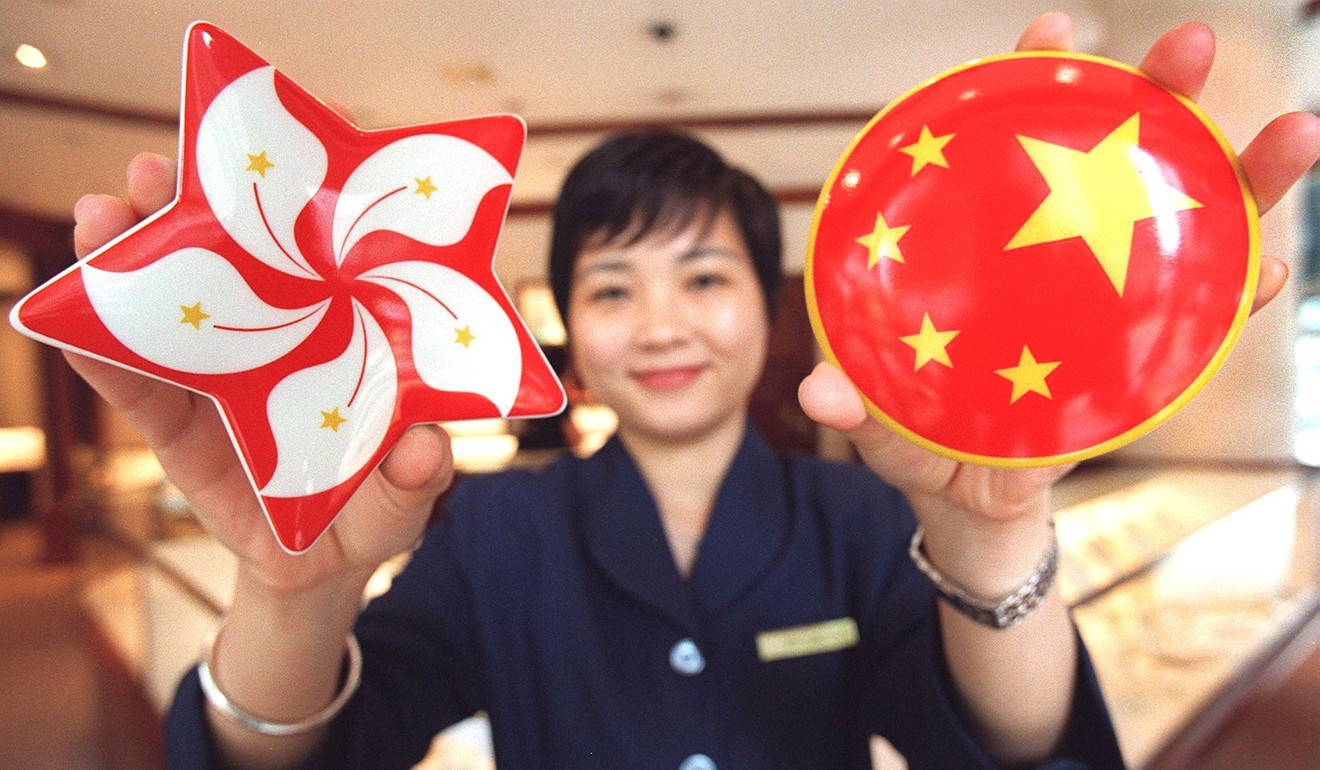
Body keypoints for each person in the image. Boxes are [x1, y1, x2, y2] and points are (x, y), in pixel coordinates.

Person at [64, 13, 1318, 770]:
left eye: (704, 274)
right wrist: (297, 583)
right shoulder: (496, 531)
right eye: (611, 289)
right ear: (571, 330)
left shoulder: (867, 518)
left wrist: (993, 535)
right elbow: (310, 753)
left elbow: (1016, 754)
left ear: (766, 304)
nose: (661, 324)